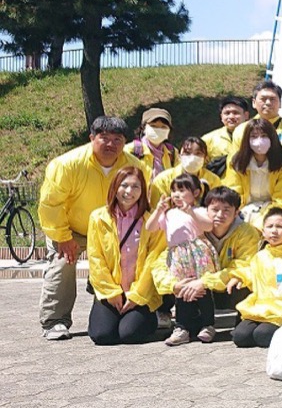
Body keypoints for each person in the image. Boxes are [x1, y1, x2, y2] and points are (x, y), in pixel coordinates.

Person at [39, 116, 147, 340]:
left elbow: (146, 199)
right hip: (72, 228)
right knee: (63, 262)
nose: (110, 144)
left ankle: (123, 305)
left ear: (125, 142)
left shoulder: (134, 166)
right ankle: (55, 320)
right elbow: (51, 204)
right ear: (91, 138)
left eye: (117, 139)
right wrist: (62, 236)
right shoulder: (67, 164)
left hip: (115, 227)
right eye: (104, 138)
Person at [86, 167, 166, 345]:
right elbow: (95, 258)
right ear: (115, 187)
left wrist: (137, 295)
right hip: (111, 291)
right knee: (102, 335)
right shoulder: (98, 218)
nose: (129, 192)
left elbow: (153, 260)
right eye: (124, 185)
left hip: (140, 292)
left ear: (142, 190)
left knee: (130, 334)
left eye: (136, 187)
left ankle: (150, 320)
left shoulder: (151, 221)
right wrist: (111, 293)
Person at [227, 208, 282, 348]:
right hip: (260, 307)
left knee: (263, 336)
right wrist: (239, 277)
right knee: (240, 337)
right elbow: (251, 273)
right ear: (263, 231)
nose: (274, 231)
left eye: (280, 227)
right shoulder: (260, 256)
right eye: (270, 226)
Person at [148, 173, 218, 346]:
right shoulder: (169, 213)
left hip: (198, 252)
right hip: (178, 255)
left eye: (181, 190)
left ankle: (207, 324)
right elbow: (150, 227)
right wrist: (158, 210)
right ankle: (182, 327)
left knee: (202, 289)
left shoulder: (199, 210)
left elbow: (208, 226)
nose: (176, 194)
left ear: (195, 193)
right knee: (182, 290)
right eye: (173, 191)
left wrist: (190, 212)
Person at [231, 81, 282, 187]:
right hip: (250, 189)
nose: (267, 103)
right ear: (254, 103)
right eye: (263, 99)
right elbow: (234, 164)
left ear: (280, 103)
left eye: (272, 99)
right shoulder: (242, 130)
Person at [199, 187, 259, 319]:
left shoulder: (247, 232)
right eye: (214, 209)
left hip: (227, 287)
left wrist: (205, 282)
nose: (220, 215)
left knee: (242, 280)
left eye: (226, 210)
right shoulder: (194, 228)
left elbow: (244, 264)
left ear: (237, 212)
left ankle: (244, 319)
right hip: (201, 289)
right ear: (206, 209)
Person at [223, 118, 282, 227]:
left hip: (274, 213)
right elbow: (233, 192)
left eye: (264, 136)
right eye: (254, 136)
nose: (259, 141)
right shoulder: (236, 162)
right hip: (244, 211)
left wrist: (263, 219)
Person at [150, 137, 221, 206]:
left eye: (198, 153)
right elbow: (155, 209)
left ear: (205, 158)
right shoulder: (162, 179)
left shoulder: (214, 180)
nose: (192, 158)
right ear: (179, 156)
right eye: (187, 153)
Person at [202, 96, 251, 175]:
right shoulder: (208, 139)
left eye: (236, 113)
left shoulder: (255, 137)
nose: (231, 117)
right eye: (227, 113)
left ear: (246, 115)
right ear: (221, 116)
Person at [126, 107, 176, 178]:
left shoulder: (172, 153)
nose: (158, 130)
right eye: (153, 126)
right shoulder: (130, 150)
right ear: (143, 128)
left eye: (163, 127)